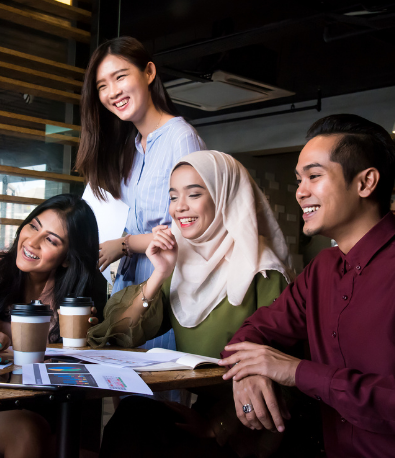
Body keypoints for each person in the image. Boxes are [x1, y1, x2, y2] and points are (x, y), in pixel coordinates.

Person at [219, 114, 395, 458]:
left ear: (366, 183)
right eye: (299, 179)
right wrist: (247, 373)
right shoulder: (322, 268)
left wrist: (298, 372)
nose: (300, 192)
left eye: (314, 176)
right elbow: (251, 334)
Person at [88, 150, 295, 458]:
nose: (179, 207)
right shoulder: (183, 264)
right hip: (204, 414)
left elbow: (286, 380)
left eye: (194, 194)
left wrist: (218, 425)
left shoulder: (262, 272)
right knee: (133, 416)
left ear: (226, 197)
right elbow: (118, 335)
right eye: (173, 197)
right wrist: (159, 272)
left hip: (252, 428)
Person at [77, 37, 206, 349]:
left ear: (149, 73)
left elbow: (192, 230)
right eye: (102, 86)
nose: (112, 92)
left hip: (164, 289)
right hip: (128, 290)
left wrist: (123, 245)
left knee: (156, 393)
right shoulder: (134, 147)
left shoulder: (181, 140)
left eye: (120, 77)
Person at [0, 194, 100, 458]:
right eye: (34, 226)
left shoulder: (77, 294)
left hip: (52, 405)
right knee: (27, 434)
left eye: (51, 240)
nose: (32, 242)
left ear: (67, 258)